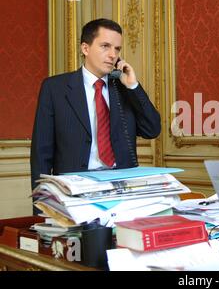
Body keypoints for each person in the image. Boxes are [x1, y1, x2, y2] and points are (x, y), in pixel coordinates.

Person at [30, 19, 161, 201]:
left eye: (117, 49)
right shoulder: (55, 88)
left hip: (121, 190)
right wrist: (42, 207)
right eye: (105, 46)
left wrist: (133, 86)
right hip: (74, 190)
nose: (112, 55)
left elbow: (152, 129)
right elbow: (41, 153)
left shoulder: (124, 88)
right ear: (85, 48)